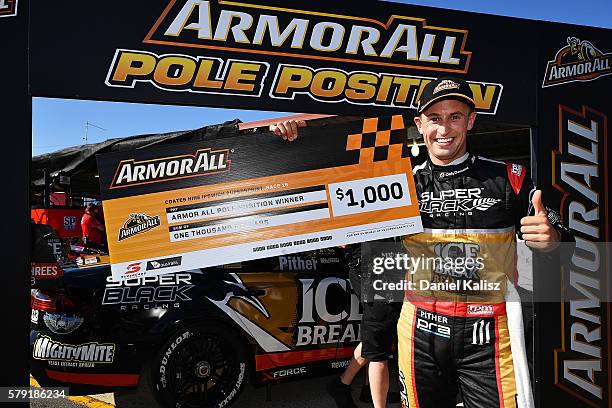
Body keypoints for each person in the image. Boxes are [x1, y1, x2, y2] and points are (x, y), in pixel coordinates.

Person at [396, 77, 573, 408]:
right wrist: (290, 141)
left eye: (455, 116)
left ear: (471, 121)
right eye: (435, 118)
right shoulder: (400, 183)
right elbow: (320, 192)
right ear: (420, 125)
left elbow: (567, 242)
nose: (444, 129)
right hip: (420, 328)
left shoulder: (510, 178)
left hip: (491, 330)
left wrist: (553, 240)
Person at [270, 123, 401, 408]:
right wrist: (278, 134)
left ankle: (358, 387)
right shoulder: (331, 172)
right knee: (379, 335)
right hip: (366, 258)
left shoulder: (382, 167)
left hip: (387, 255)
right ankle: (343, 385)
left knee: (382, 331)